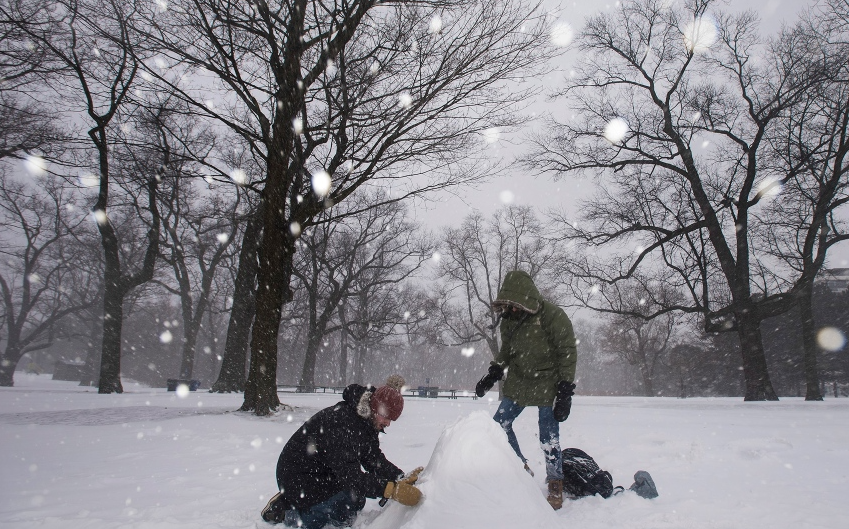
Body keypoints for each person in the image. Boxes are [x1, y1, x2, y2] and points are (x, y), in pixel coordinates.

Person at [261, 375, 423, 527]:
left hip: (322, 471)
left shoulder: (366, 421)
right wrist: (391, 490)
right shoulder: (343, 424)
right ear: (375, 408)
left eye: (391, 419)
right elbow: (351, 476)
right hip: (297, 476)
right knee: (346, 502)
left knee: (356, 499)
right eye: (386, 417)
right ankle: (287, 513)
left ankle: (297, 501)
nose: (388, 423)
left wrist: (399, 477)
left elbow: (372, 457)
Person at [475, 270, 577, 510]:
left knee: (548, 435)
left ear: (525, 299)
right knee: (498, 426)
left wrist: (564, 388)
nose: (510, 310)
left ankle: (555, 482)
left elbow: (567, 351)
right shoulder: (509, 321)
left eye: (514, 305)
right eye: (507, 305)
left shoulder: (553, 316)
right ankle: (519, 467)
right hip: (520, 380)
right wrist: (494, 371)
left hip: (548, 381)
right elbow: (507, 350)